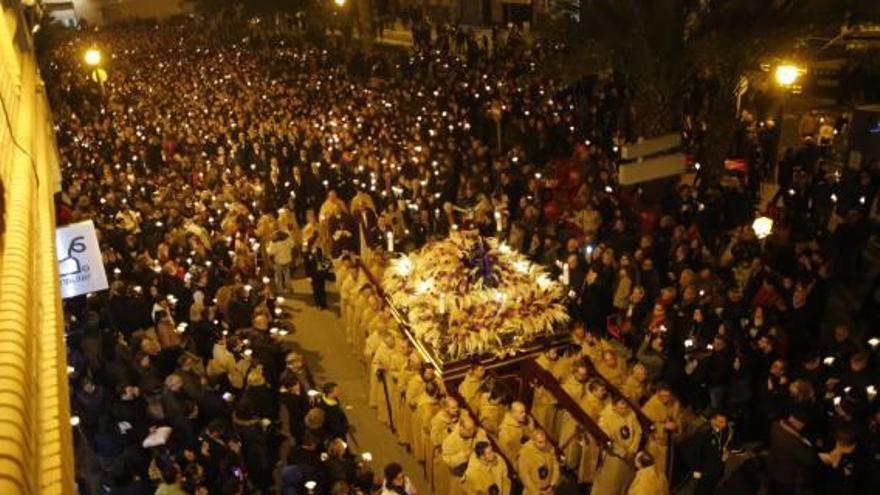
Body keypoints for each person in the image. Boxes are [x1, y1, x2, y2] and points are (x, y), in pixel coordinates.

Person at [591, 395, 642, 495]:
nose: (624, 410)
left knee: (625, 484)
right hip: (614, 458)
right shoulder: (604, 418)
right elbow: (608, 441)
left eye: (626, 407)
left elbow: (638, 431)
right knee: (610, 486)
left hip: (630, 456)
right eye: (621, 408)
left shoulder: (630, 412)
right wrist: (623, 453)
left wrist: (633, 449)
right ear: (614, 407)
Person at [690, 410, 734, 495]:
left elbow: (726, 444)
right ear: (713, 420)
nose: (720, 424)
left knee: (711, 487)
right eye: (718, 421)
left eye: (723, 422)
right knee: (702, 489)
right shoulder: (705, 433)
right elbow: (698, 452)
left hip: (718, 467)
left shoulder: (726, 432)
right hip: (706, 468)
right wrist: (697, 469)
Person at [517, 429, 559, 495]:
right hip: (532, 492)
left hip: (548, 490)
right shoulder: (526, 453)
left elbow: (555, 466)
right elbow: (524, 475)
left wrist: (552, 484)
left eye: (544, 442)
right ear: (533, 441)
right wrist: (537, 492)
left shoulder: (550, 449)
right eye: (540, 442)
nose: (543, 445)